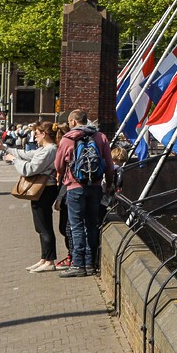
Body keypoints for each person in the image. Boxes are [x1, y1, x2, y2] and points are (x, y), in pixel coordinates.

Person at [54, 109, 114, 278]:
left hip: (75, 187)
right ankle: (90, 264)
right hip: (95, 187)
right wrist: (108, 185)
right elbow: (109, 165)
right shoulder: (100, 137)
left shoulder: (68, 139)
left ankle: (78, 265)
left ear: (73, 121)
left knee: (76, 226)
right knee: (91, 224)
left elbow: (58, 165)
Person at [6, 122, 62, 273]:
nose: (34, 137)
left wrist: (13, 160)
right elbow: (26, 154)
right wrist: (4, 148)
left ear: (44, 134)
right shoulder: (45, 149)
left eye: (36, 134)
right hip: (42, 191)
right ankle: (44, 258)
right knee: (40, 226)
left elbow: (30, 169)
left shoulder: (50, 150)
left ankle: (50, 260)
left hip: (45, 190)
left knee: (44, 226)